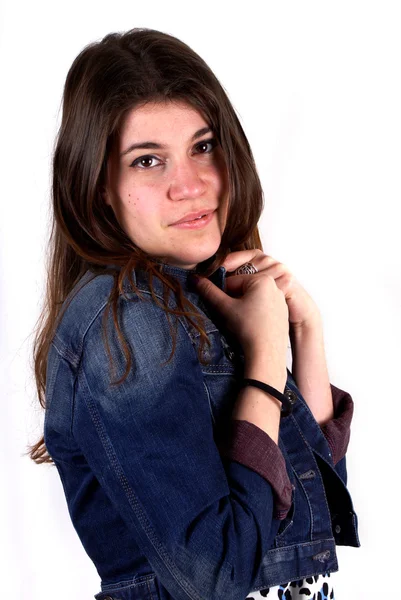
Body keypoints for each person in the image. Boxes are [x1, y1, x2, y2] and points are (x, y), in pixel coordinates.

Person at [28, 27, 360, 600]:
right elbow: (218, 576)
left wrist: (302, 333)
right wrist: (264, 359)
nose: (190, 185)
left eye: (203, 147)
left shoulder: (193, 305)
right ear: (99, 185)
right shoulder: (127, 319)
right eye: (148, 160)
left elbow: (308, 518)